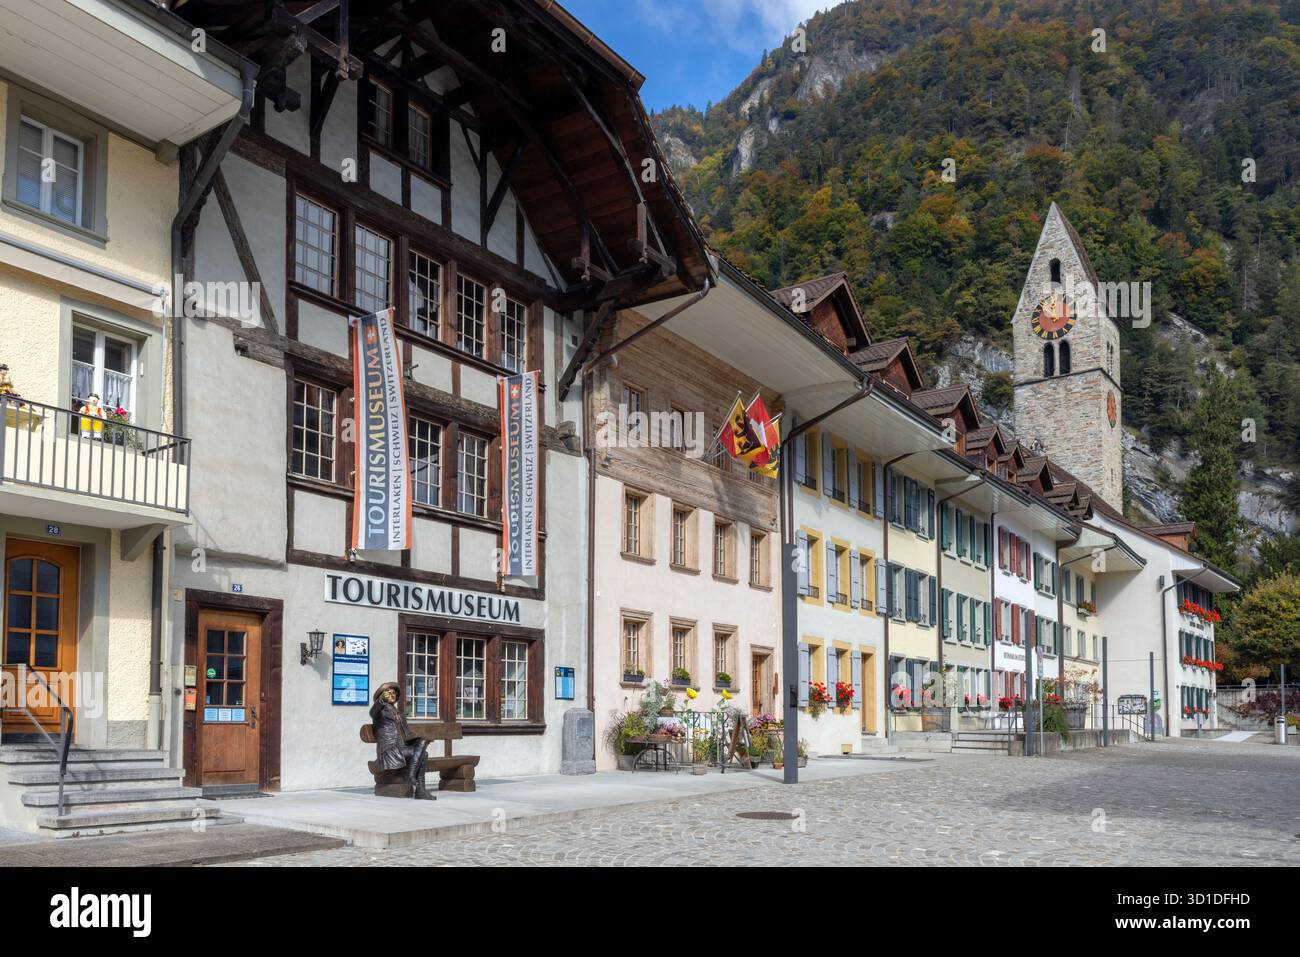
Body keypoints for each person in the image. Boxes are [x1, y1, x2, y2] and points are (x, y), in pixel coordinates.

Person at [369, 682, 435, 800]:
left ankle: (413, 779)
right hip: (389, 751)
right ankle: (419, 788)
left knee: (423, 744)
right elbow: (372, 711)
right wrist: (380, 701)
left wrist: (421, 739)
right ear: (381, 695)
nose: (392, 694)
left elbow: (407, 735)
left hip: (401, 748)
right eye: (388, 692)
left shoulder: (399, 713)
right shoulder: (379, 712)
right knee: (423, 755)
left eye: (394, 692)